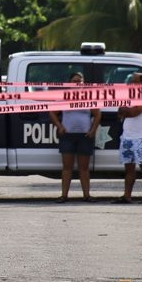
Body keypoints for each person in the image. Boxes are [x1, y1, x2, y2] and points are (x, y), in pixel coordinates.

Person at [49, 71, 100, 203]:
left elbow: (98, 114)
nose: (77, 83)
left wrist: (93, 130)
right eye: (75, 80)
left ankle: (86, 195)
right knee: (67, 168)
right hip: (68, 136)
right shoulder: (64, 97)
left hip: (84, 136)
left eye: (80, 81)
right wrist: (59, 126)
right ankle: (64, 195)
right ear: (69, 82)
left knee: (83, 168)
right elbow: (52, 112)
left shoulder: (89, 97)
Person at [114, 73, 142, 204]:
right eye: (131, 82)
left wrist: (126, 110)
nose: (131, 84)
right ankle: (127, 196)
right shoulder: (130, 97)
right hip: (127, 137)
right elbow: (120, 111)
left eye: (134, 81)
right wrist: (126, 110)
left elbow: (133, 112)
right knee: (129, 169)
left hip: (140, 137)